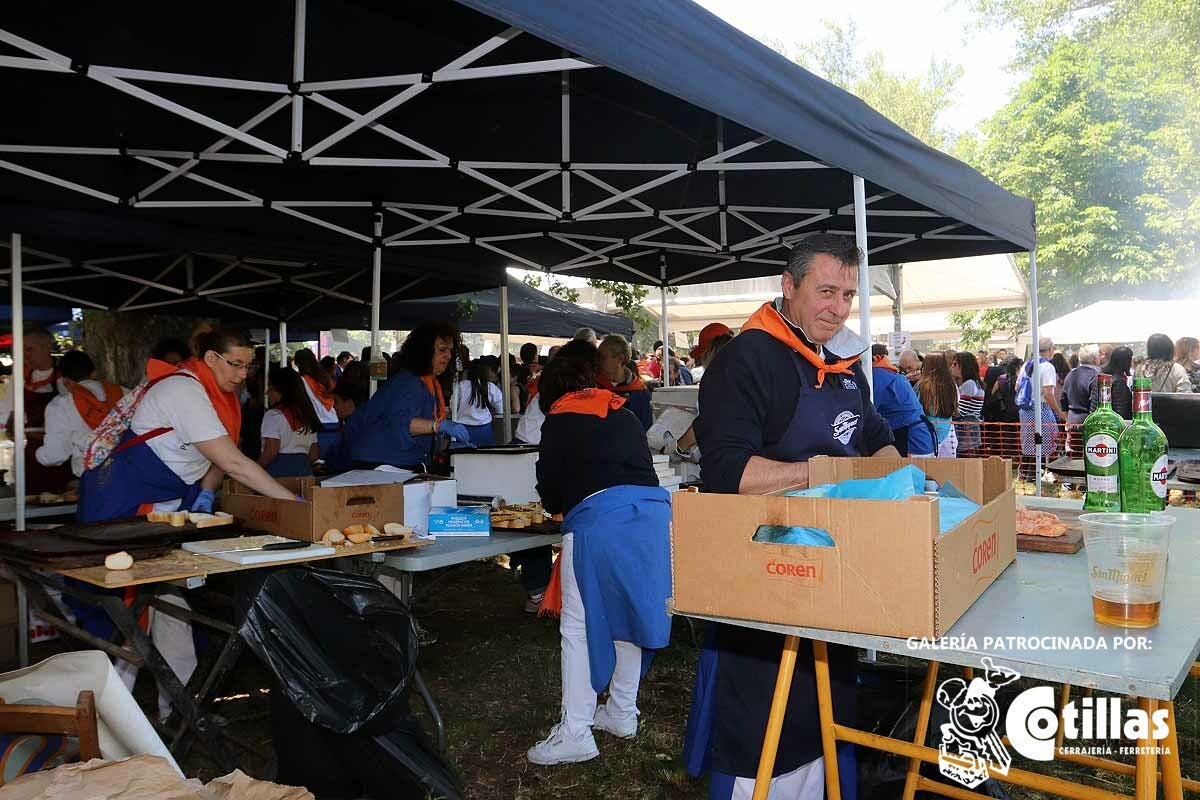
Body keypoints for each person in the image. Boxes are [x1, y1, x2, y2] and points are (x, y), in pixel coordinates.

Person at [685, 235, 897, 799]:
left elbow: (875, 438)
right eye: (825, 291)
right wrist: (823, 473)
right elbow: (728, 473)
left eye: (847, 294)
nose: (837, 307)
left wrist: (905, 487)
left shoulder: (845, 361)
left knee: (824, 712)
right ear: (789, 285)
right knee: (766, 729)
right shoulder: (746, 358)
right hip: (764, 572)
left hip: (834, 568)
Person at [526, 353, 669, 766]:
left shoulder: (559, 418)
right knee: (631, 614)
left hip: (601, 522)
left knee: (578, 627)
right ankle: (622, 712)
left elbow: (552, 495)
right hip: (654, 516)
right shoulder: (620, 411)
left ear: (551, 394)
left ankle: (576, 732)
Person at [78, 326, 300, 521]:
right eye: (236, 364)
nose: (243, 374)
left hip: (168, 496)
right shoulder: (183, 390)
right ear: (211, 358)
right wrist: (293, 502)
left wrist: (208, 490)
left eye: (248, 366)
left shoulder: (221, 396)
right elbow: (234, 463)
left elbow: (220, 456)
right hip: (123, 496)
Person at [344, 321, 472, 470]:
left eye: (450, 351)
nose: (448, 356)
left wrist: (449, 445)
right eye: (442, 349)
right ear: (424, 351)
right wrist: (439, 425)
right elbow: (402, 423)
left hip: (401, 463)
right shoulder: (408, 382)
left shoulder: (429, 383)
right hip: (380, 465)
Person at [3, 325, 73, 493]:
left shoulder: (66, 376)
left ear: (47, 347)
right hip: (31, 455)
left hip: (63, 456)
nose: (25, 355)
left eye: (29, 349)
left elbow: (74, 420)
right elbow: (12, 412)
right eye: (22, 350)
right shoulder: (19, 377)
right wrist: (11, 427)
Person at [35, 350, 124, 478]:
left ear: (64, 380)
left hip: (95, 478)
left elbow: (55, 455)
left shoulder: (61, 404)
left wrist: (38, 454)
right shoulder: (125, 393)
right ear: (93, 373)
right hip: (133, 472)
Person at [870, 345, 935, 457]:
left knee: (909, 474)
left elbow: (868, 411)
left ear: (876, 358)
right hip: (921, 437)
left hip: (912, 440)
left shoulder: (877, 376)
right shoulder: (893, 374)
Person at [1016, 337, 1066, 478]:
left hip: (1025, 409)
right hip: (1040, 409)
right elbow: (1048, 393)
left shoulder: (1027, 365)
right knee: (1045, 442)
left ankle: (1025, 474)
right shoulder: (1048, 367)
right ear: (1050, 350)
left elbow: (1017, 387)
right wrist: (1059, 412)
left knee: (1028, 443)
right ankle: (1037, 474)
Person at [258, 367, 320, 477]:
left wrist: (255, 467)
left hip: (278, 474)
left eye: (271, 388)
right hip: (305, 472)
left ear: (283, 391)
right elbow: (314, 454)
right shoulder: (307, 415)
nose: (267, 393)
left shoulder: (273, 416)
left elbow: (271, 452)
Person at [596, 335, 653, 429]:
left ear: (620, 359)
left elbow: (645, 427)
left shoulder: (640, 391)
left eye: (602, 357)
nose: (597, 361)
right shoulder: (593, 386)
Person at [1061, 345, 1102, 456]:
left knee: (1074, 457)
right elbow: (1094, 404)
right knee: (1089, 458)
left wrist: (1067, 418)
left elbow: (1063, 400)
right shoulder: (1095, 377)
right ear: (1095, 359)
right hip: (1087, 422)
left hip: (1072, 420)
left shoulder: (1070, 374)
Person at [918, 353, 959, 458]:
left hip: (927, 433)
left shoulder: (922, 385)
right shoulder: (952, 385)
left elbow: (917, 408)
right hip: (948, 432)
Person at [455, 358, 502, 447]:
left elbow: (453, 406)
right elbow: (501, 408)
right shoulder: (490, 387)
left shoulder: (461, 386)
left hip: (462, 429)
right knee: (485, 457)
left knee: (463, 457)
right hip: (484, 429)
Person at [293, 349, 340, 431]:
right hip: (333, 419)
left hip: (316, 424)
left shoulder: (300, 380)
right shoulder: (325, 377)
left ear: (298, 363)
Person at [952, 351, 984, 457]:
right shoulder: (973, 383)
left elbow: (961, 411)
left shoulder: (969, 384)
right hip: (970, 431)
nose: (952, 367)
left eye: (955, 364)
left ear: (964, 366)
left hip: (966, 433)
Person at [1090, 345, 1134, 420]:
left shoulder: (1100, 375)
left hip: (1097, 418)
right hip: (1111, 422)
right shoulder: (1118, 381)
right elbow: (1120, 410)